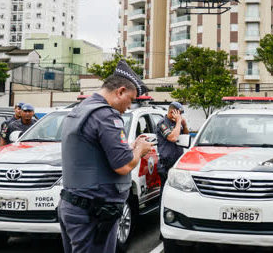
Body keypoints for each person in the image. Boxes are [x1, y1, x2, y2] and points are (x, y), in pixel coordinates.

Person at [58, 60, 153, 253]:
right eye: (131, 99)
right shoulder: (106, 116)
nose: (129, 107)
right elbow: (124, 166)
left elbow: (93, 151)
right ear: (120, 91)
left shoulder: (81, 109)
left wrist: (129, 147)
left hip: (74, 206)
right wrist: (139, 150)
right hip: (94, 211)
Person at [156, 101, 189, 192]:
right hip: (166, 164)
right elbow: (173, 138)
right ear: (172, 112)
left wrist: (184, 125)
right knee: (166, 192)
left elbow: (185, 135)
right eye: (179, 114)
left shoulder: (177, 124)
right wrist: (178, 122)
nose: (180, 116)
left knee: (177, 192)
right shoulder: (163, 123)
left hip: (176, 163)